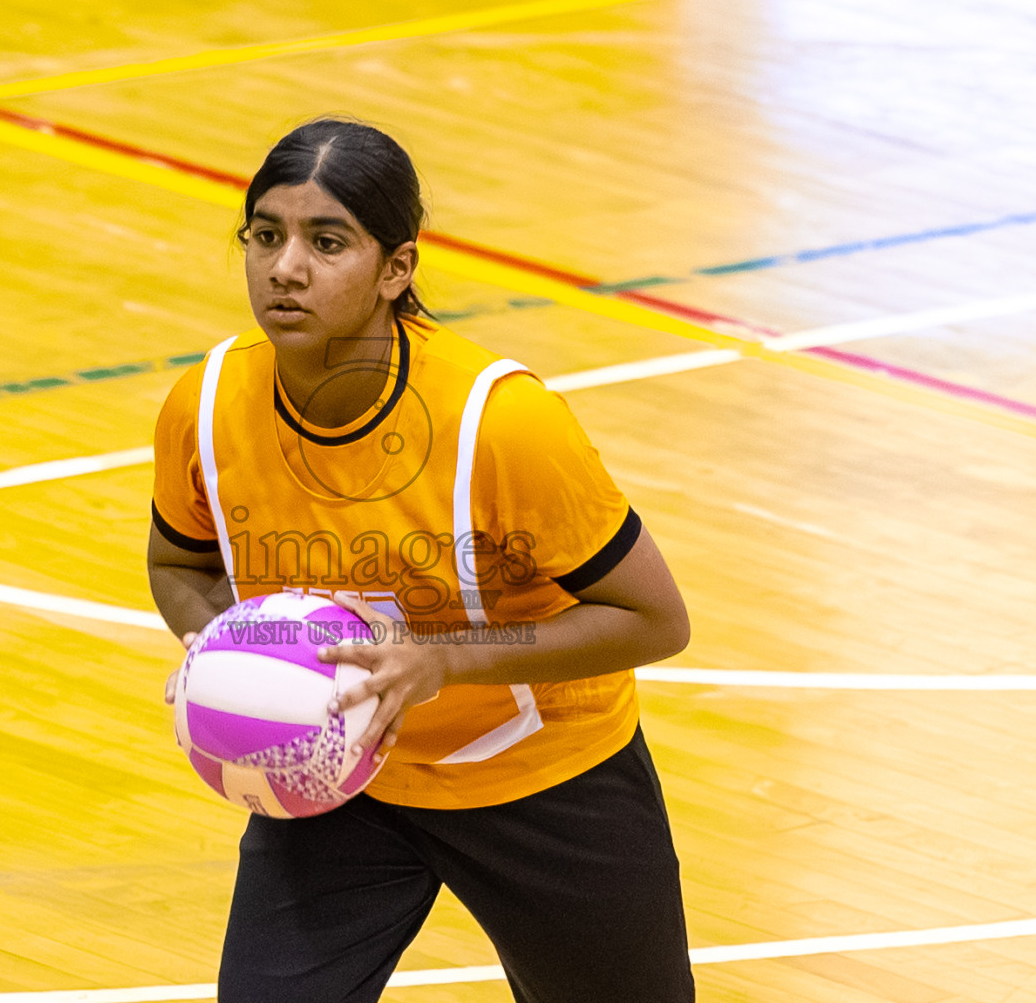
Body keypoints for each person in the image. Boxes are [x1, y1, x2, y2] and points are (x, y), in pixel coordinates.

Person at [146, 117, 694, 1003]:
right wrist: (223, 653)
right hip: (332, 780)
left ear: (396, 269)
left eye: (327, 242)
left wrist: (443, 662)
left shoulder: (502, 422)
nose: (286, 267)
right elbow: (178, 564)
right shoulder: (205, 405)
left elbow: (655, 620)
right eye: (265, 236)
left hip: (541, 778)